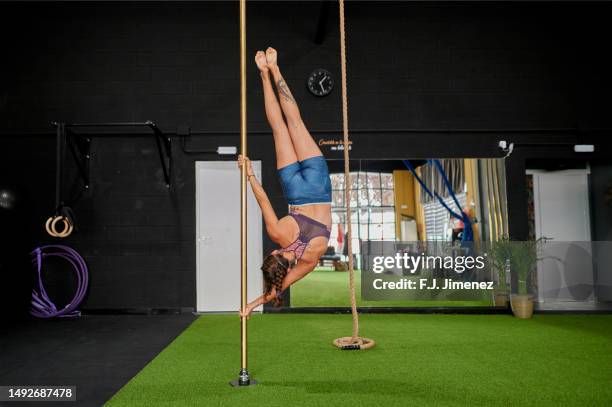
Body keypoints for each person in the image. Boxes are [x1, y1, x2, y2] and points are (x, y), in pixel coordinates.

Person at [238, 47, 332, 318]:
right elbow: (263, 199)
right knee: (283, 126)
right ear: (276, 253)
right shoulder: (277, 235)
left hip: (318, 188)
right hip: (294, 188)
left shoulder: (309, 260)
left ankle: (273, 69)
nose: (276, 248)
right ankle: (267, 73)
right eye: (275, 252)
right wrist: (249, 173)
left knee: (292, 123)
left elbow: (276, 291)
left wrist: (253, 306)